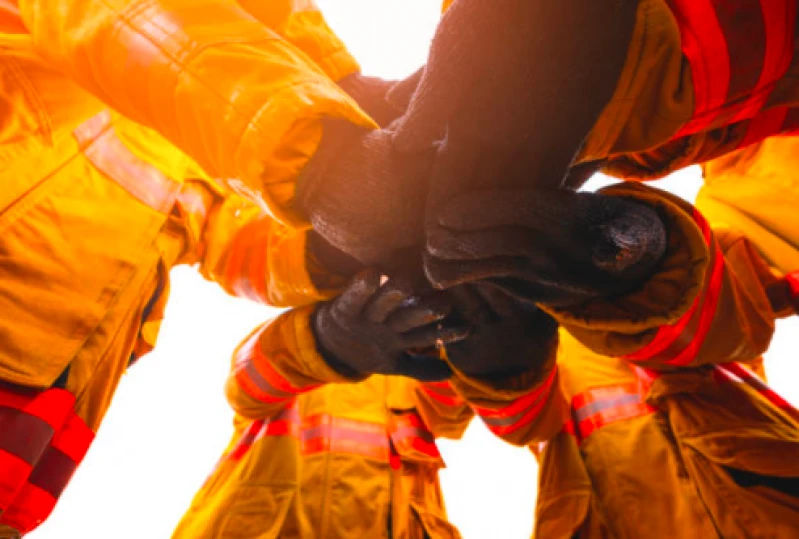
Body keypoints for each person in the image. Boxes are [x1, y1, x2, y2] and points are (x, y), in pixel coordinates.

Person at [173, 272, 474, 538]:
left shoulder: (418, 373)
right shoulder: (291, 338)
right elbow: (244, 389)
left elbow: (451, 418)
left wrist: (453, 344)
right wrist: (324, 341)